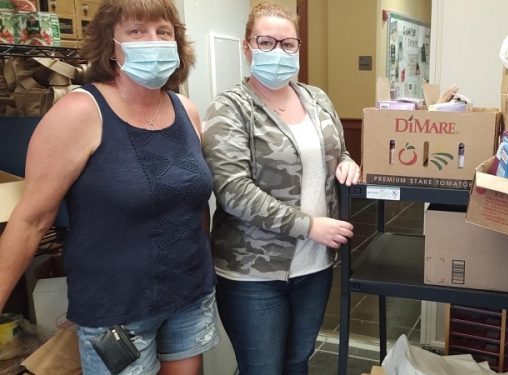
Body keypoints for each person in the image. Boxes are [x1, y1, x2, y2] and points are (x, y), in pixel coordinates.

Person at [0, 0, 219, 374]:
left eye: (163, 32)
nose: (153, 41)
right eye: (136, 31)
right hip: (116, 311)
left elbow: (193, 203)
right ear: (110, 45)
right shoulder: (80, 112)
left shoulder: (187, 110)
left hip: (188, 296)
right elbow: (30, 221)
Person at [201, 2, 360, 374]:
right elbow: (233, 191)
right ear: (247, 47)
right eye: (266, 42)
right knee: (262, 368)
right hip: (252, 272)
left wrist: (348, 161)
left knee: (297, 362)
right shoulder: (231, 108)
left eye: (288, 44)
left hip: (314, 265)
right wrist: (309, 226)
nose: (278, 52)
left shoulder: (317, 99)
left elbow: (339, 149)